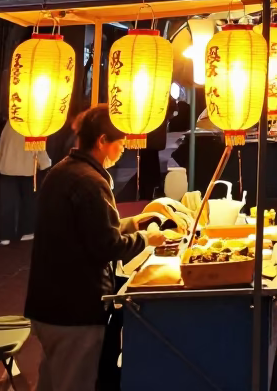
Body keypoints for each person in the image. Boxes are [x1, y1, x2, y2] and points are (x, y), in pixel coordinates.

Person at [25, 106, 166, 391]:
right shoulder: (90, 182)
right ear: (102, 141)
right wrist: (147, 239)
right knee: (74, 384)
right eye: (120, 142)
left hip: (47, 306)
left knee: (52, 383)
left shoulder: (63, 170)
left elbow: (85, 229)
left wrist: (132, 223)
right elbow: (107, 246)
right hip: (74, 310)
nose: (124, 148)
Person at [0, 120, 50, 245]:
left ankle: (5, 235)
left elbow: (2, 144)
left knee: (7, 203)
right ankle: (27, 231)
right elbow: (38, 148)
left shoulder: (10, 124)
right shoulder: (33, 126)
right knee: (29, 201)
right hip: (27, 169)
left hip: (7, 168)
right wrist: (45, 164)